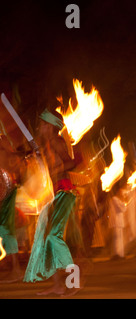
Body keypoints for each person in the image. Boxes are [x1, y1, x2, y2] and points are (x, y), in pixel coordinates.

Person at [23, 109, 78, 296]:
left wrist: (55, 170)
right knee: (45, 239)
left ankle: (74, 281)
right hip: (53, 194)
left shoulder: (56, 141)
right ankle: (58, 284)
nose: (40, 127)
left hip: (64, 192)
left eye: (43, 124)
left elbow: (71, 163)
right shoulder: (46, 145)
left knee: (54, 236)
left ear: (50, 126)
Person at [0, 134, 23, 283]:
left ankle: (16, 269)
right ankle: (13, 267)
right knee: (4, 229)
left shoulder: (3, 145)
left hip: (5, 188)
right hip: (5, 187)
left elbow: (14, 160)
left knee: (5, 229)